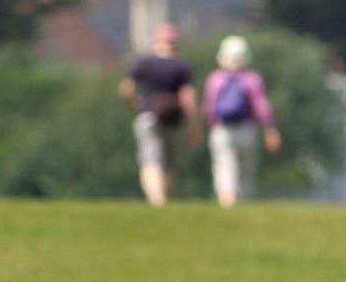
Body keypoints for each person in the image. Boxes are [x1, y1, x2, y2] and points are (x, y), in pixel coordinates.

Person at [119, 24, 201, 206]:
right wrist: (194, 123)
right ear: (176, 44)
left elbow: (126, 89)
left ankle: (157, 201)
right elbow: (188, 96)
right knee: (169, 164)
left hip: (148, 115)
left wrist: (135, 104)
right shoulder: (181, 66)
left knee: (150, 160)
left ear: (157, 42)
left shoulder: (144, 63)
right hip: (172, 119)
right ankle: (164, 201)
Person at [202, 35, 281, 208]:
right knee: (246, 169)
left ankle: (227, 202)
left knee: (223, 166)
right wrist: (270, 129)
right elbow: (262, 107)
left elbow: (209, 108)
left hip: (221, 129)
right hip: (247, 130)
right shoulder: (252, 79)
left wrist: (208, 127)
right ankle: (243, 201)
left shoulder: (215, 79)